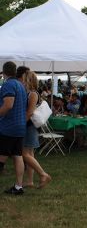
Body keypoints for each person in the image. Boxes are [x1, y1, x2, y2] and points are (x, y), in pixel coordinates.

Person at [21, 71, 52, 189]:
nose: (22, 82)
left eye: (23, 79)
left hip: (29, 127)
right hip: (30, 127)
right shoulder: (30, 93)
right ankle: (29, 181)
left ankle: (43, 174)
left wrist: (20, 124)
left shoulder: (33, 94)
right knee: (30, 154)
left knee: (25, 154)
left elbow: (29, 113)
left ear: (28, 80)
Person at [0, 61, 27, 195]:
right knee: (17, 156)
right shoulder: (21, 85)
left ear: (3, 72)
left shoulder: (8, 84)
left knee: (1, 157)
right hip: (20, 126)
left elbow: (8, 105)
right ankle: (18, 186)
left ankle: (18, 187)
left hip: (8, 127)